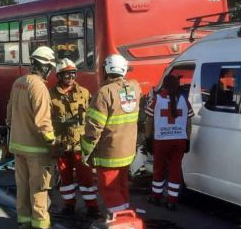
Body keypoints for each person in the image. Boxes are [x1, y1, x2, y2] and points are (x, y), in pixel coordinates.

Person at [6, 46, 63, 229]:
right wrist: (53, 142)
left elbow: (9, 113)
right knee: (39, 187)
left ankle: (24, 221)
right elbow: (43, 122)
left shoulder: (19, 82)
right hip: (36, 149)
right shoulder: (39, 87)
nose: (51, 72)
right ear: (45, 66)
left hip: (17, 145)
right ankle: (40, 226)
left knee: (22, 185)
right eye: (50, 68)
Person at [81, 54, 141, 216]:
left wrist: (86, 151)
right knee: (121, 185)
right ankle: (127, 215)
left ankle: (121, 221)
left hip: (108, 153)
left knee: (109, 188)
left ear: (106, 69)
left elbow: (93, 128)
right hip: (127, 152)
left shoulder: (104, 93)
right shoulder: (135, 88)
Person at [49, 59, 98, 219]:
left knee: (86, 178)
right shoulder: (51, 94)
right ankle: (69, 205)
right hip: (61, 143)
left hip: (79, 144)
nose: (70, 76)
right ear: (59, 75)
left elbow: (92, 116)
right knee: (66, 178)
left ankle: (92, 207)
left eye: (72, 73)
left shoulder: (84, 92)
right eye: (66, 74)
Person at [145, 74, 194, 211]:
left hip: (161, 141)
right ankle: (172, 201)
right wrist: (188, 139)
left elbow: (149, 121)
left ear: (164, 85)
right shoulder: (184, 100)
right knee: (175, 169)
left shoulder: (157, 99)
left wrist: (148, 138)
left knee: (159, 168)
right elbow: (189, 122)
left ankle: (156, 196)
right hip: (179, 140)